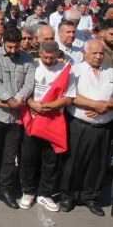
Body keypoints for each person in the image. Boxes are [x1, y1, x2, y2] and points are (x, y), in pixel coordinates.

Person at [19, 40, 75, 212]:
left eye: (52, 58)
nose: (49, 61)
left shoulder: (66, 71)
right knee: (28, 158)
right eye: (45, 57)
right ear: (40, 53)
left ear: (58, 54)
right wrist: (32, 104)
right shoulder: (33, 66)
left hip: (53, 121)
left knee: (50, 160)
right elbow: (23, 90)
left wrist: (48, 106)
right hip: (33, 119)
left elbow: (68, 97)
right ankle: (27, 192)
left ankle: (45, 193)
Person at [0, 26, 35, 209]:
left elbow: (29, 84)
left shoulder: (28, 59)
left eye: (16, 47)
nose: (13, 51)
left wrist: (16, 101)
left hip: (16, 118)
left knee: (9, 156)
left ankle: (5, 189)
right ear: (4, 42)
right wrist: (10, 100)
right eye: (10, 47)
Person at [59, 40, 113, 216]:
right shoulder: (75, 70)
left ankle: (90, 197)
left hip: (104, 126)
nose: (99, 57)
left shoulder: (110, 72)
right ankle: (69, 196)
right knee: (75, 161)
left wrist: (106, 107)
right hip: (80, 125)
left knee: (98, 163)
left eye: (101, 53)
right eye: (95, 53)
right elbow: (72, 96)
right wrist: (96, 105)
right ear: (84, 52)